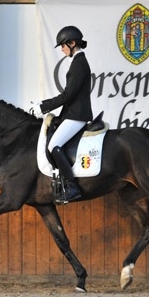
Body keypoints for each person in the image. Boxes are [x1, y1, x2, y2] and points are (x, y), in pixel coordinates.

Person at [30, 26, 93, 203]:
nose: (62, 49)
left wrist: (43, 106)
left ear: (72, 43)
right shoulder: (77, 62)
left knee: (54, 145)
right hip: (72, 114)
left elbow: (68, 95)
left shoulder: (79, 63)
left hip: (77, 115)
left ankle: (71, 186)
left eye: (64, 46)